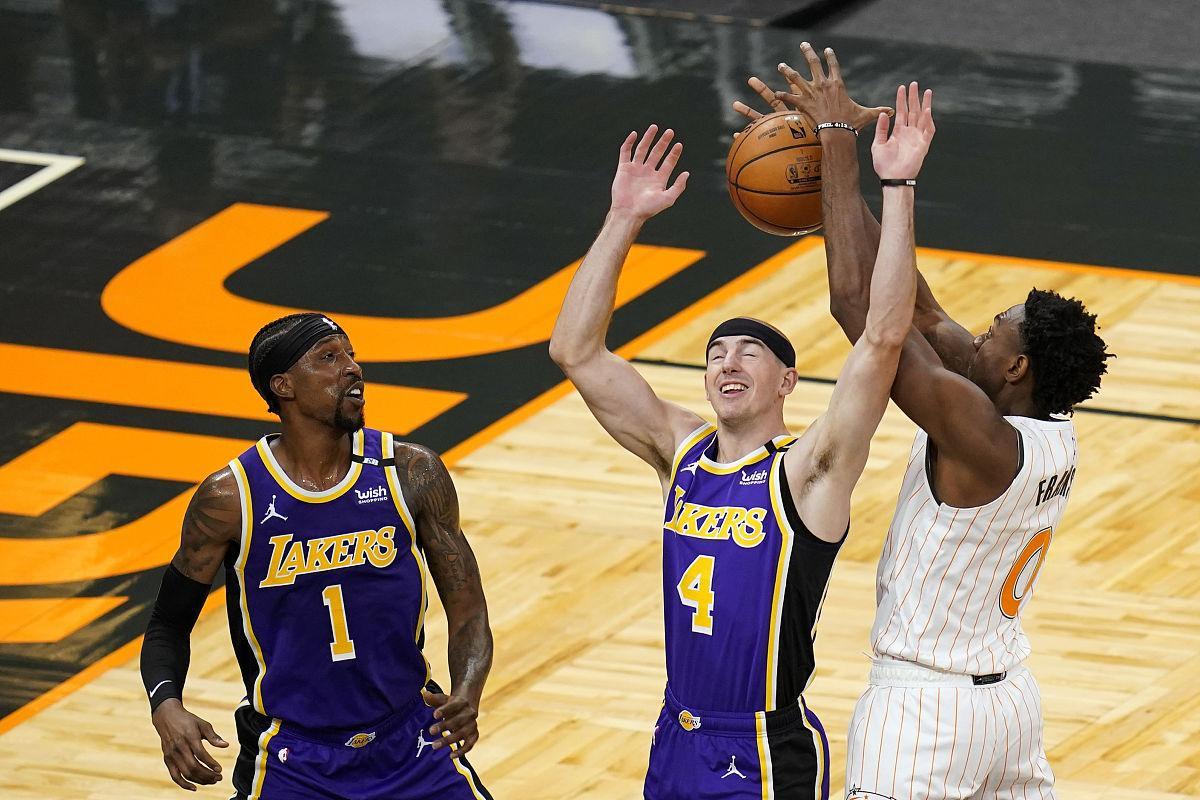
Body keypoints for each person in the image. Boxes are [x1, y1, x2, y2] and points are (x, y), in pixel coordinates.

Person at [734, 43, 1112, 798]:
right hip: (1008, 703)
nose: (978, 333)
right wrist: (834, 175)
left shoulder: (980, 435)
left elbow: (863, 312)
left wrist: (835, 143)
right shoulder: (1047, 428)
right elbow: (919, 308)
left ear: (1016, 368)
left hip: (924, 714)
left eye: (995, 332)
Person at [549, 93, 934, 800]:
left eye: (748, 353)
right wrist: (624, 217)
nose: (727, 363)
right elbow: (575, 350)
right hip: (674, 737)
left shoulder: (808, 470)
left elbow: (882, 337)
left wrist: (898, 186)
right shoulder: (680, 454)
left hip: (760, 748)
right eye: (716, 354)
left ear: (787, 381)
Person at [139, 313, 493, 799]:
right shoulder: (231, 498)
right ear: (283, 385)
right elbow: (168, 623)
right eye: (329, 357)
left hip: (411, 738)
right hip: (294, 759)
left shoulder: (410, 472)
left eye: (351, 355)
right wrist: (166, 704)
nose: (352, 368)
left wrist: (467, 692)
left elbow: (468, 608)